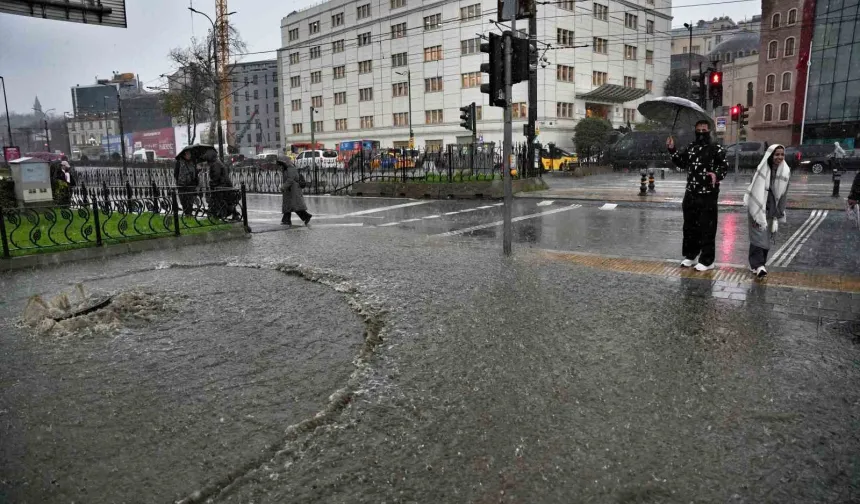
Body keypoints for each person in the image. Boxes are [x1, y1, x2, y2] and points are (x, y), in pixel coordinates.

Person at [666, 120, 729, 271]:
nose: (701, 133)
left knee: (707, 227)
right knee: (689, 227)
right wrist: (672, 149)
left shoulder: (716, 149)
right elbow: (681, 163)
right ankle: (690, 255)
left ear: (709, 131)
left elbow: (724, 166)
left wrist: (716, 175)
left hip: (708, 194)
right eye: (698, 130)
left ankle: (707, 260)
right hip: (691, 193)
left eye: (704, 130)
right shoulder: (691, 148)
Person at [743, 144, 790, 278]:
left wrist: (780, 210)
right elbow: (755, 189)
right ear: (770, 155)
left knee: (765, 237)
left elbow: (784, 193)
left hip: (772, 209)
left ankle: (758, 264)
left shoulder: (785, 171)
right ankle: (759, 265)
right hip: (758, 208)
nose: (779, 157)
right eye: (776, 154)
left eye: (782, 154)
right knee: (758, 236)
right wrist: (757, 207)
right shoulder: (761, 170)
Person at [204, 149, 240, 221]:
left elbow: (216, 176)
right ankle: (233, 215)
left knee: (222, 201)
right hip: (224, 185)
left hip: (222, 186)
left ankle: (220, 214)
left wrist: (211, 183)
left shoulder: (215, 164)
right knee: (227, 201)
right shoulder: (216, 162)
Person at [278, 158, 312, 226]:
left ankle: (306, 216)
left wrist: (283, 187)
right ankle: (286, 220)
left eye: (281, 165)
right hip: (289, 191)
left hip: (293, 190)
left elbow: (290, 180)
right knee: (290, 205)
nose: (280, 167)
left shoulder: (291, 169)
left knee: (295, 205)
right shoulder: (286, 169)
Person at [174, 150, 200, 218]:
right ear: (184, 155)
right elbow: (176, 174)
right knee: (184, 201)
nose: (189, 155)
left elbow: (194, 175)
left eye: (189, 154)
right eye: (187, 154)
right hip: (182, 186)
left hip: (191, 185)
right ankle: (186, 214)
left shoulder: (192, 162)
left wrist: (198, 170)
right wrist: (180, 182)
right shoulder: (179, 162)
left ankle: (189, 214)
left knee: (190, 201)